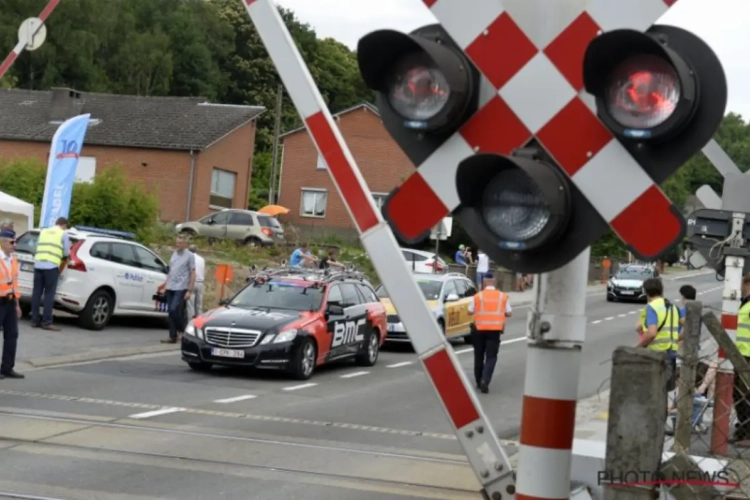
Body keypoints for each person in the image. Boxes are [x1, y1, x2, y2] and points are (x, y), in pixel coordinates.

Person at [468, 274, 511, 394]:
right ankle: (485, 380)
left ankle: (478, 381)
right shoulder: (502, 296)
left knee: (479, 356)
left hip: (479, 330)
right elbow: (509, 312)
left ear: (485, 282)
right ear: (494, 281)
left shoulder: (477, 296)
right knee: (491, 357)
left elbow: (469, 311)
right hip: (494, 331)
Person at [635, 278, 680, 393]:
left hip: (656, 354)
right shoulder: (672, 307)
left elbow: (652, 333)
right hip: (672, 353)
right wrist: (679, 337)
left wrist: (638, 346)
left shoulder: (652, 307)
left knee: (651, 390)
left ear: (645, 291)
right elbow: (687, 323)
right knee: (664, 391)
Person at [31, 217, 69, 331]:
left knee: (36, 293)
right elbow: (66, 252)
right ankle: (47, 322)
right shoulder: (63, 233)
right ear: (64, 225)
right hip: (51, 266)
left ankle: (34, 320)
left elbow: (37, 246)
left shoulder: (43, 231)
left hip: (38, 265)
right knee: (49, 294)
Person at [160, 235, 196, 344]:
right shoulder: (174, 254)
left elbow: (193, 273)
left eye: (180, 243)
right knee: (170, 312)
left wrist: (189, 290)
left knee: (174, 309)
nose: (178, 245)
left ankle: (183, 329)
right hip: (171, 286)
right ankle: (173, 336)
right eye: (177, 243)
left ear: (185, 244)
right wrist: (165, 286)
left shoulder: (189, 256)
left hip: (181, 287)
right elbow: (170, 271)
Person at [0, 229, 24, 378]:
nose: (14, 245)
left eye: (15, 242)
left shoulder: (13, 259)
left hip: (9, 302)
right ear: (2, 242)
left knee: (12, 335)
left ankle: (7, 367)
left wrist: (17, 305)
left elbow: (15, 283)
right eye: (11, 242)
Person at [731, 273, 750, 446]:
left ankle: (747, 434)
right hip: (740, 355)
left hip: (748, 357)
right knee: (738, 395)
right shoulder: (745, 303)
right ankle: (742, 429)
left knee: (745, 395)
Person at [186, 245, 205, 319]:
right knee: (199, 305)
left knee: (190, 305)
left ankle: (190, 322)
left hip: (192, 282)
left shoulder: (189, 258)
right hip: (201, 283)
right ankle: (199, 322)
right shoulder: (202, 259)